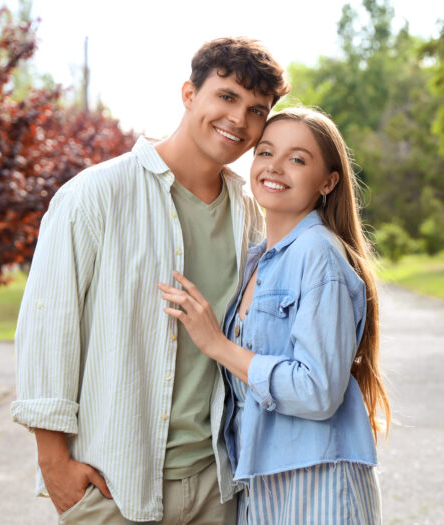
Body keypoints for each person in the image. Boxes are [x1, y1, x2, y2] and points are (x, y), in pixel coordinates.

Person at [11, 37, 289, 524]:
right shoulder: (94, 196)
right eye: (226, 96)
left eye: (256, 110)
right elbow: (47, 329)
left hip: (217, 483)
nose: (239, 120)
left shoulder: (251, 213)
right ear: (189, 94)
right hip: (113, 483)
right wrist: (54, 464)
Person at [159, 107, 391, 524]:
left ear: (328, 182)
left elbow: (318, 390)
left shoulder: (317, 253)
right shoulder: (258, 258)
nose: (275, 168)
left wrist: (218, 345)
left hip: (317, 481)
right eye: (265, 152)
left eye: (297, 159)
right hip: (263, 480)